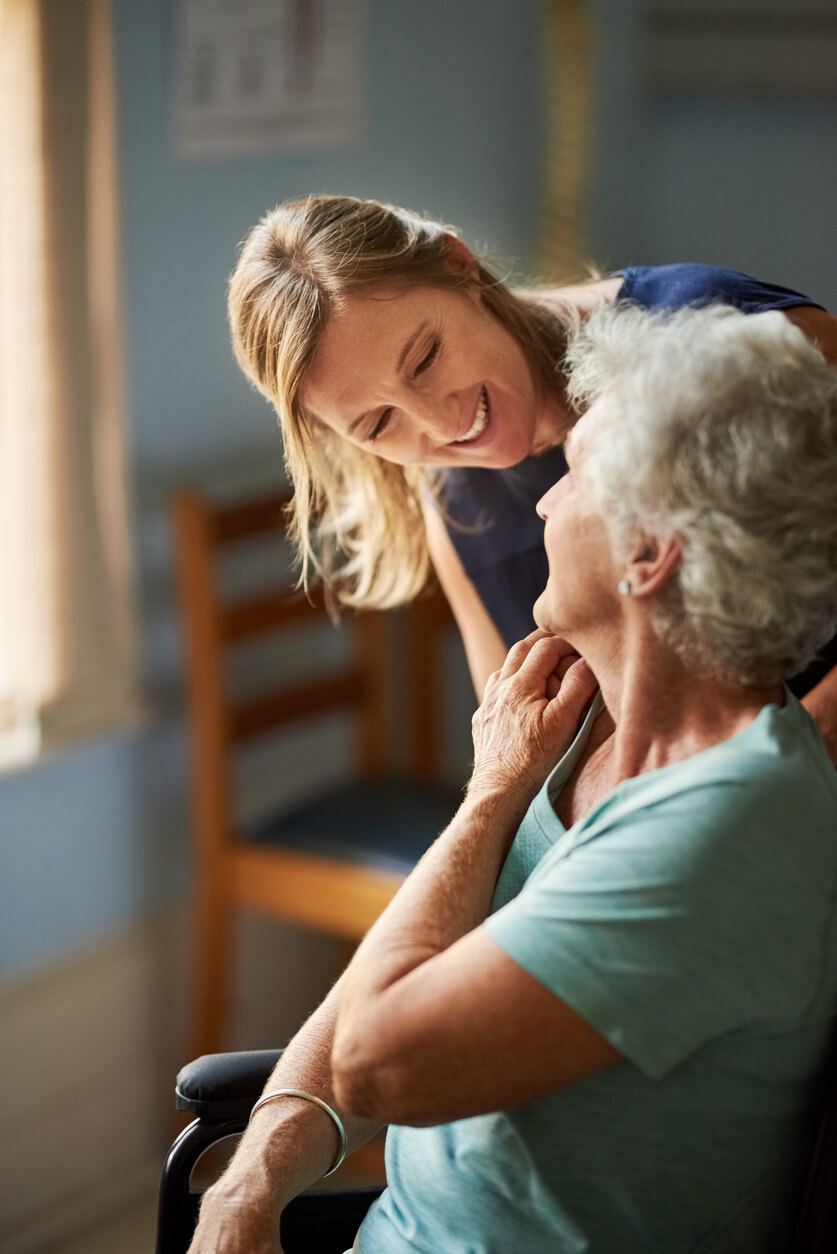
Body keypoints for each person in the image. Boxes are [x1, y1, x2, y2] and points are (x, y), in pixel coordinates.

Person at [189, 303, 837, 1253]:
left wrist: (489, 798)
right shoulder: (571, 728)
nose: (538, 504)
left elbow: (375, 1061)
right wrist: (250, 1181)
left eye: (572, 476)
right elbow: (398, 982)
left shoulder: (723, 829)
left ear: (648, 553)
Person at [227, 193, 837, 759]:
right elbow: (522, 756)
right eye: (380, 422)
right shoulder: (457, 512)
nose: (444, 423)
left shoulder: (726, 332)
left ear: (459, 266)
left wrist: (783, 772)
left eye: (426, 358)